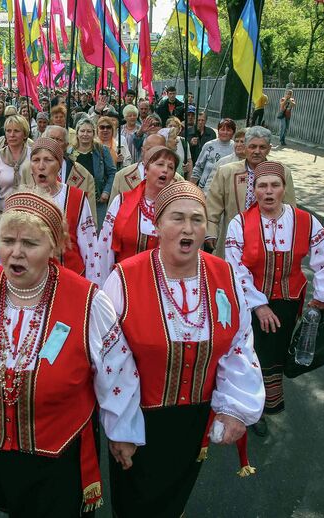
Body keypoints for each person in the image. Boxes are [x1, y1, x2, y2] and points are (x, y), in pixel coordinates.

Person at [0, 190, 144, 516]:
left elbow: (117, 369)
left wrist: (121, 431)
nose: (15, 253)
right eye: (7, 240)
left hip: (59, 454)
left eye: (30, 244)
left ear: (53, 247)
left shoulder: (87, 300)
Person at [104, 181, 264, 518]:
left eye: (197, 219)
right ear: (157, 224)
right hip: (139, 418)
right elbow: (111, 363)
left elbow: (238, 344)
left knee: (175, 495)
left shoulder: (225, 275)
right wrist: (121, 429)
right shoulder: (124, 278)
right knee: (135, 500)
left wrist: (234, 408)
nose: (188, 228)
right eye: (177, 218)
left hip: (195, 417)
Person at [225, 161, 324, 436]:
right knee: (248, 356)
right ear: (254, 189)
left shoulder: (305, 221)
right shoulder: (240, 222)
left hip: (287, 303)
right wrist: (259, 305)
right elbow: (235, 267)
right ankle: (251, 409)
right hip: (248, 302)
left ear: (283, 188)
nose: (268, 192)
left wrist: (319, 300)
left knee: (274, 358)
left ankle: (262, 407)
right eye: (262, 186)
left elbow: (323, 261)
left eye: (275, 185)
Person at [206, 126, 296, 258]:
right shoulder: (227, 171)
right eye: (252, 147)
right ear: (245, 147)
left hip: (268, 241)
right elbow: (213, 205)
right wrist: (211, 231)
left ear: (269, 149)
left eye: (262, 147)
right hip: (233, 239)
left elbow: (290, 208)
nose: (257, 151)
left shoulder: (282, 172)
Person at [99, 145, 179, 283]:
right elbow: (105, 248)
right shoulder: (121, 201)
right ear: (146, 169)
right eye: (160, 164)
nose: (165, 170)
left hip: (160, 286)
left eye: (171, 167)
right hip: (123, 282)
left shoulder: (177, 209)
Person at [28, 137, 100, 281]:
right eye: (36, 160)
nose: (41, 166)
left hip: (71, 277)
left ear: (59, 165)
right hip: (34, 280)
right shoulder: (24, 199)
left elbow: (90, 246)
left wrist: (93, 286)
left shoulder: (76, 198)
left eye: (48, 160)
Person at [21, 125, 98, 222]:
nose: (54, 143)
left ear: (66, 145)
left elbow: (90, 219)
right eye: (51, 139)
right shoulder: (27, 170)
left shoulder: (84, 176)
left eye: (59, 140)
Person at [71, 118, 116, 224]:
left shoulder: (101, 150)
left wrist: (106, 191)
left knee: (98, 231)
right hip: (76, 199)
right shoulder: (70, 152)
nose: (85, 134)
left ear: (93, 133)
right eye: (82, 131)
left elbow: (112, 173)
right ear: (77, 133)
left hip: (98, 201)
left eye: (89, 131)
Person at [0, 115, 32, 211]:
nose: (12, 135)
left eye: (16, 131)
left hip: (30, 214)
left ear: (25, 134)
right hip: (4, 213)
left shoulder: (33, 155)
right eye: (8, 131)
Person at [191, 118, 236, 192]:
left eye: (228, 130)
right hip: (204, 191)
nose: (225, 132)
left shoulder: (235, 148)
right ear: (218, 131)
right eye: (222, 129)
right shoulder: (209, 145)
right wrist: (191, 187)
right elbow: (198, 168)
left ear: (233, 133)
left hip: (225, 192)